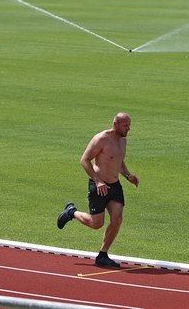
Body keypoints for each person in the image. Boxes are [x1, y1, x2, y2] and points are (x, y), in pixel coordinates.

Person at [57, 112, 140, 268]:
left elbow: (119, 161)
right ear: (115, 124)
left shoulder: (123, 141)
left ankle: (102, 255)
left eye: (129, 125)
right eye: (125, 125)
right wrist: (97, 181)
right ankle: (71, 212)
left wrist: (128, 176)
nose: (128, 128)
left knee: (117, 219)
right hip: (99, 186)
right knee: (97, 224)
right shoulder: (101, 139)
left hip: (114, 186)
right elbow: (84, 160)